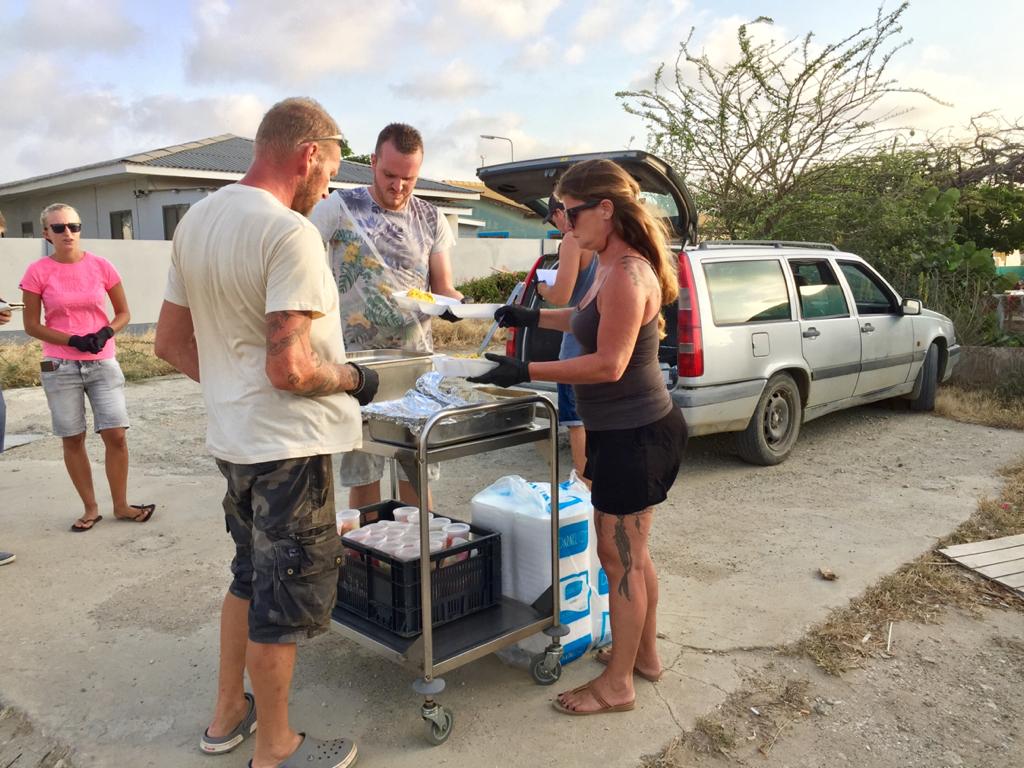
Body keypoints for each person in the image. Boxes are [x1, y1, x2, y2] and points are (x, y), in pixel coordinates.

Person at [155, 97, 373, 768]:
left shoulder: (198, 220)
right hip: (288, 448)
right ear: (309, 154)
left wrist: (229, 389)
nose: (329, 187)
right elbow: (292, 366)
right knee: (283, 598)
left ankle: (228, 715)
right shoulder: (288, 232)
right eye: (331, 171)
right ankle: (276, 746)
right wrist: (355, 380)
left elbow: (167, 342)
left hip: (235, 440)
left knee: (249, 576)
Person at [468, 159, 687, 716]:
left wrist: (527, 373)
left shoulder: (630, 273)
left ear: (605, 209)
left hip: (635, 437)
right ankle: (645, 658)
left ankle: (618, 685)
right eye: (560, 213)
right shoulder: (609, 267)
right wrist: (529, 317)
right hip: (627, 434)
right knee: (633, 557)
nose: (564, 225)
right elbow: (583, 321)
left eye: (570, 212)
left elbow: (609, 364)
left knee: (621, 562)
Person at [310, 122, 461, 508]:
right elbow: (302, 263)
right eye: (389, 175)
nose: (398, 187)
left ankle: (419, 557)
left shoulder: (431, 218)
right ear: (373, 162)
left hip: (415, 364)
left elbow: (443, 286)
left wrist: (457, 304)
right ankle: (369, 558)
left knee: (417, 466)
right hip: (358, 366)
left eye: (408, 178)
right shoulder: (338, 208)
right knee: (364, 469)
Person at [19, 204, 155, 532]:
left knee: (116, 434)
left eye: (74, 226)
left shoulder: (101, 266)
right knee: (73, 437)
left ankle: (121, 505)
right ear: (46, 233)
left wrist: (106, 332)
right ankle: (90, 507)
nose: (68, 233)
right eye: (59, 227)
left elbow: (123, 312)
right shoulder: (37, 272)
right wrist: (72, 340)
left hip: (102, 361)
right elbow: (31, 326)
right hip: (59, 363)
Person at [535, 194, 597, 482]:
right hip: (600, 343)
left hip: (576, 346)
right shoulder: (601, 240)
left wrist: (542, 288)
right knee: (599, 421)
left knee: (576, 423)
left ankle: (585, 486)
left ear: (562, 212)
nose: (557, 226)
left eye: (555, 219)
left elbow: (562, 294)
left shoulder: (572, 241)